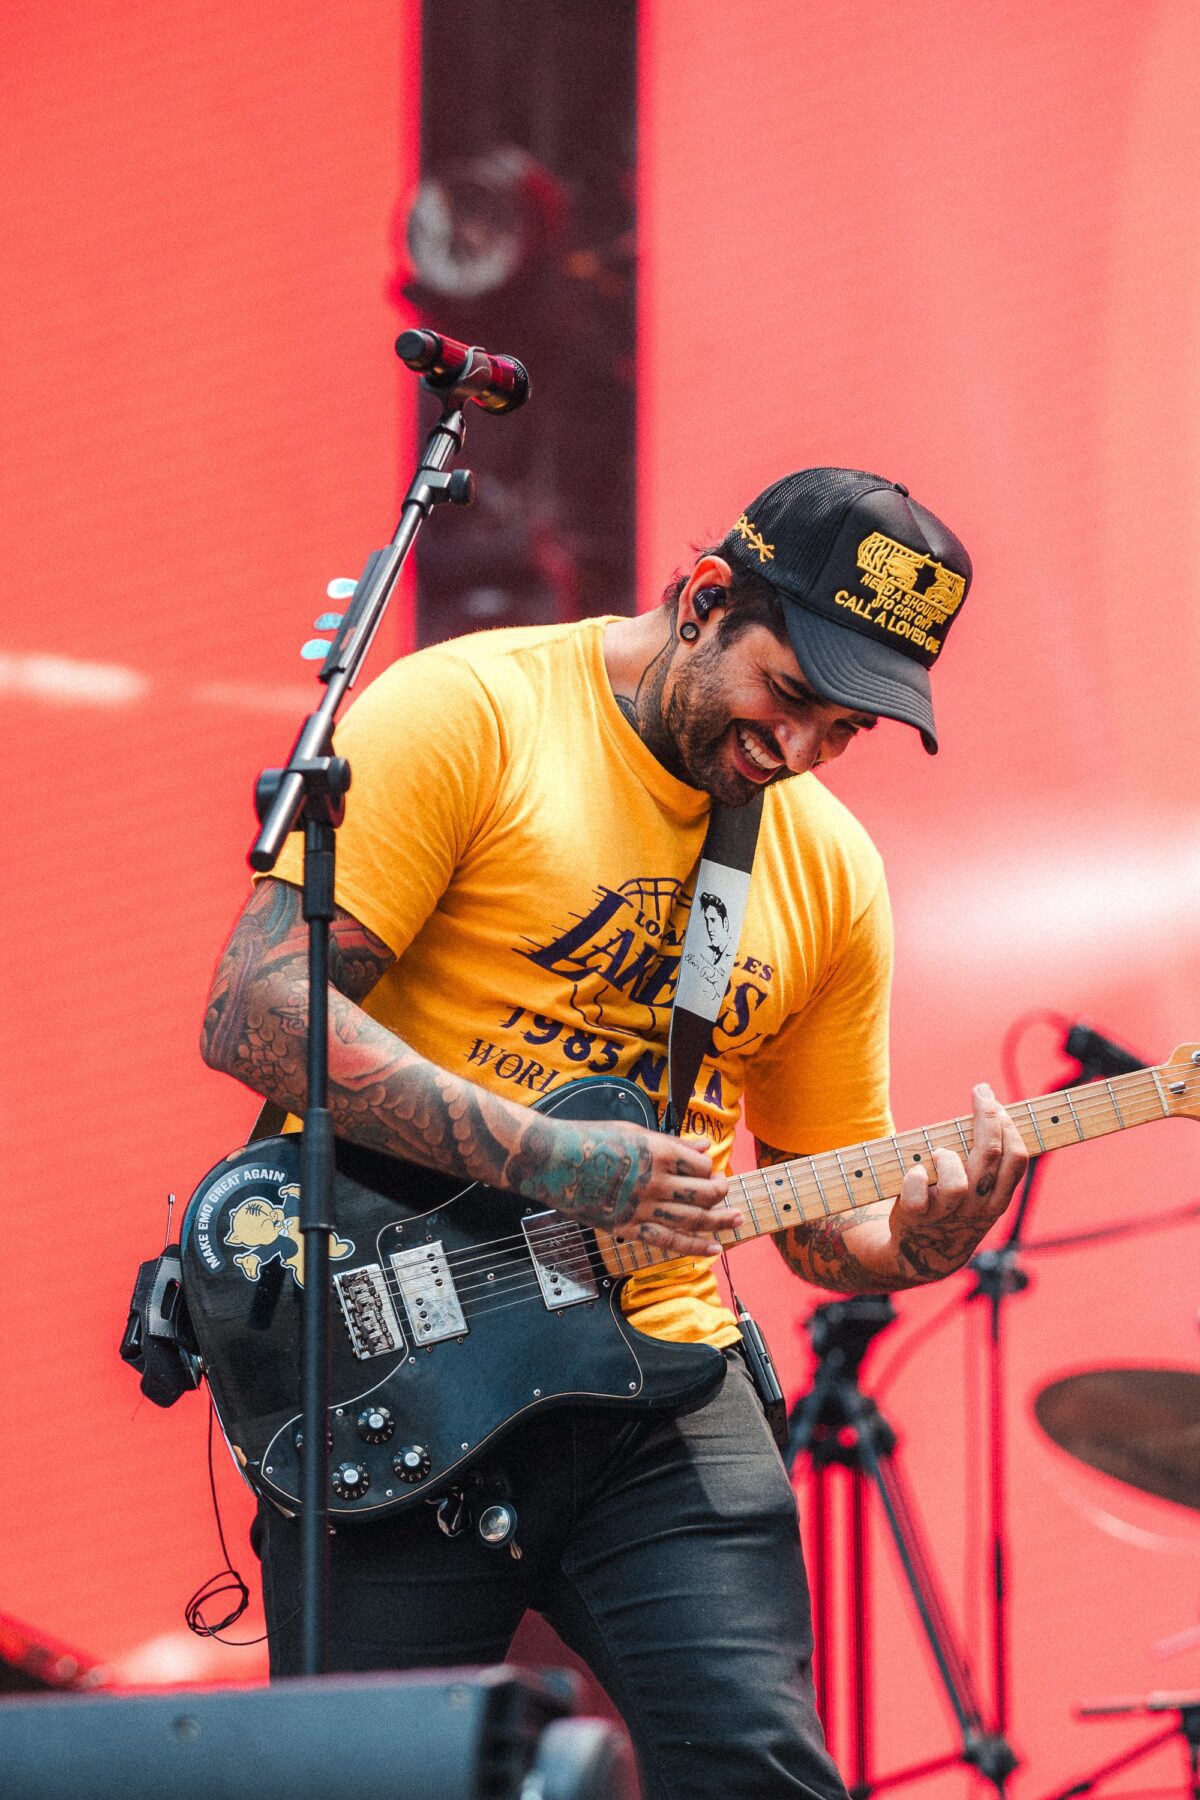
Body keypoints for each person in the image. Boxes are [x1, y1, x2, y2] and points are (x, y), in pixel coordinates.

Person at [201, 467, 1027, 1799]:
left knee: (759, 1767)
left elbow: (821, 1231)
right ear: (704, 598)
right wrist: (543, 1156)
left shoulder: (830, 873)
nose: (802, 750)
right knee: (380, 1777)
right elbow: (253, 1011)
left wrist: (918, 1240)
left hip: (664, 1377)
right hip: (393, 1360)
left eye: (845, 729)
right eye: (790, 696)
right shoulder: (469, 713)